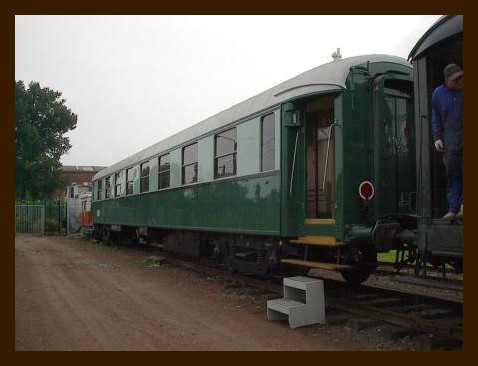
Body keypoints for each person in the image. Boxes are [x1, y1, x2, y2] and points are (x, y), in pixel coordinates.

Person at [431, 63, 463, 221]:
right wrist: (437, 137)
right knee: (453, 175)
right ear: (447, 80)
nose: (460, 81)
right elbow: (436, 117)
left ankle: (464, 206)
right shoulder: (438, 94)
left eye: (461, 78)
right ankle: (453, 208)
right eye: (456, 79)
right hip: (450, 142)